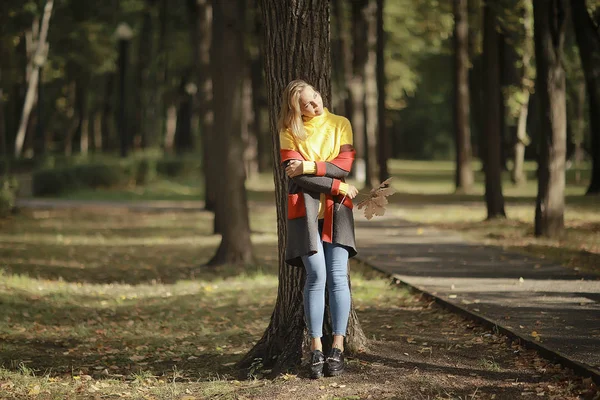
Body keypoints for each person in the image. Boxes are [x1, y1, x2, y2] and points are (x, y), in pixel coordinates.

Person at [278, 79, 359, 379]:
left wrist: (309, 166)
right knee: (316, 276)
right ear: (295, 110)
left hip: (337, 211)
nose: (314, 106)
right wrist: (337, 185)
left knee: (338, 277)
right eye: (306, 105)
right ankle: (316, 348)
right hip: (305, 212)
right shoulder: (289, 132)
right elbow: (295, 177)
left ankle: (337, 346)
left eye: (315, 99)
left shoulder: (340, 123)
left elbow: (344, 165)